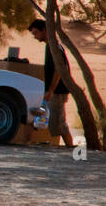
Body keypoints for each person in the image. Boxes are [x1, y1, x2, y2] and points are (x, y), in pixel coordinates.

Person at [29, 18, 74, 146]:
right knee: (56, 122)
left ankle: (70, 148)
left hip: (58, 91)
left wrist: (51, 90)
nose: (35, 37)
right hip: (54, 90)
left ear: (44, 30)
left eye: (36, 33)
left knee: (59, 122)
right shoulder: (50, 46)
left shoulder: (55, 48)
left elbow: (58, 71)